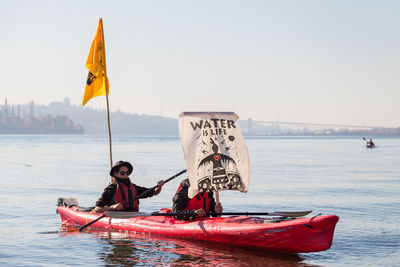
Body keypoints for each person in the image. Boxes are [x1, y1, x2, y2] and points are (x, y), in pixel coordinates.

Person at [94, 160, 165, 213]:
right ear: (115, 174)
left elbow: (154, 192)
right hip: (116, 216)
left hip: (134, 215)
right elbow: (97, 209)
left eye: (127, 173)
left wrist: (159, 187)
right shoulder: (111, 188)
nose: (125, 175)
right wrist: (112, 207)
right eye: (122, 173)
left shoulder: (134, 187)